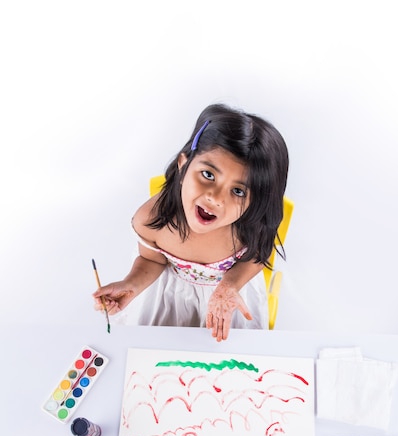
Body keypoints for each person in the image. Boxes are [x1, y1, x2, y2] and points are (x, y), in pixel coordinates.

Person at [93, 103, 289, 341]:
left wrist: (230, 286)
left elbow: (257, 256)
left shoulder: (247, 224)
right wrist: (131, 284)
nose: (214, 198)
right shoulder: (153, 219)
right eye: (208, 175)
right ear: (184, 163)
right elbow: (150, 258)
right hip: (168, 299)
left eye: (238, 191)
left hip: (228, 303)